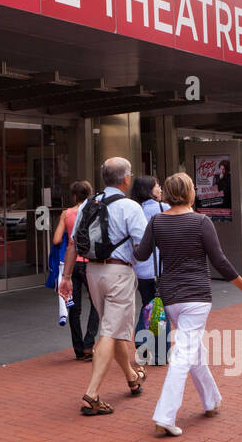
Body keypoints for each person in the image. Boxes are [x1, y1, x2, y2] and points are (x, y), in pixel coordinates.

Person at [134, 172, 242, 436]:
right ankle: (164, 416)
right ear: (190, 192)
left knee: (193, 351)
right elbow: (220, 261)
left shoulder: (157, 221)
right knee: (183, 355)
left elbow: (141, 254)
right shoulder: (201, 222)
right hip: (196, 297)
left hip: (170, 298)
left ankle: (211, 400)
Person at [59, 157, 148, 416]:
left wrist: (66, 277)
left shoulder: (88, 203)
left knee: (112, 325)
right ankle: (92, 393)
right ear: (126, 179)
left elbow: (74, 243)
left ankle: (132, 378)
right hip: (119, 272)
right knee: (109, 332)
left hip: (92, 272)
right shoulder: (130, 207)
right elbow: (143, 247)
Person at [51, 180, 98, 360]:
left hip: (72, 262)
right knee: (96, 304)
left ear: (74, 196)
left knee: (74, 307)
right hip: (90, 261)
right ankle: (89, 342)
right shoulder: (93, 211)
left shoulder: (67, 213)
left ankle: (78, 348)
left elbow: (56, 239)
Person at [129, 175, 167, 366]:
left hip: (140, 269)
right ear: (149, 190)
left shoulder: (134, 210)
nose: (160, 189)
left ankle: (142, 343)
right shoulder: (164, 209)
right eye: (157, 186)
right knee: (161, 311)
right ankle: (159, 353)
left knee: (147, 306)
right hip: (160, 268)